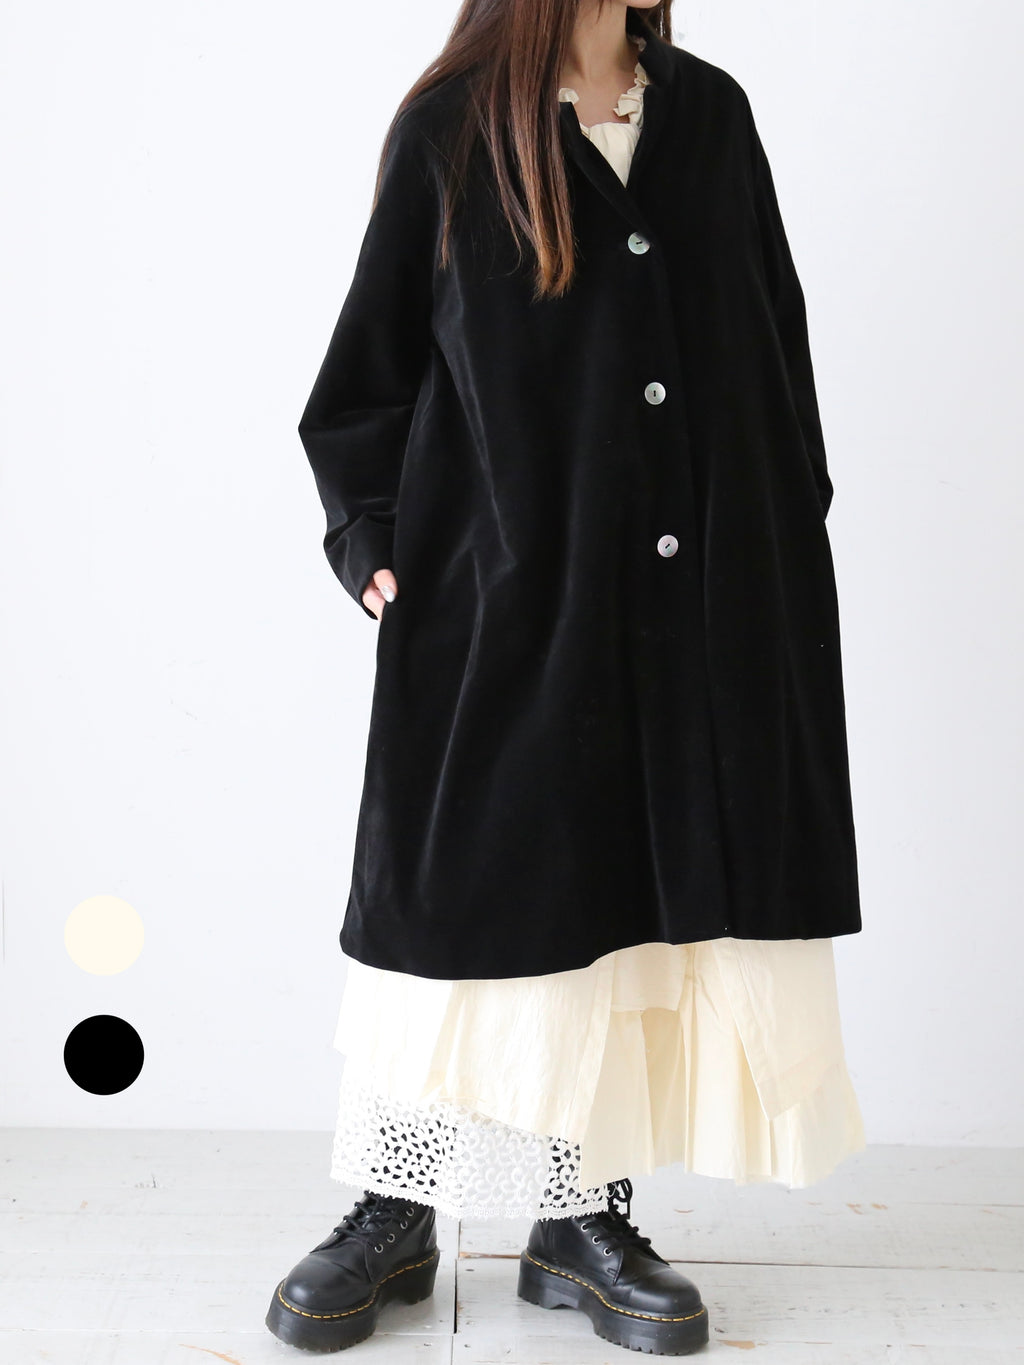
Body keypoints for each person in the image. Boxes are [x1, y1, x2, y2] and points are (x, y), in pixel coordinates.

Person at [267, 0, 866, 1355]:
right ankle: (397, 1203)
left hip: (698, 601)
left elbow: (775, 341)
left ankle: (579, 1214)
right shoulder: (455, 127)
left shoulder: (710, 116)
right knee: (465, 907)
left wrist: (784, 529)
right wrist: (374, 544)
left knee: (629, 912)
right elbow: (366, 375)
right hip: (505, 602)